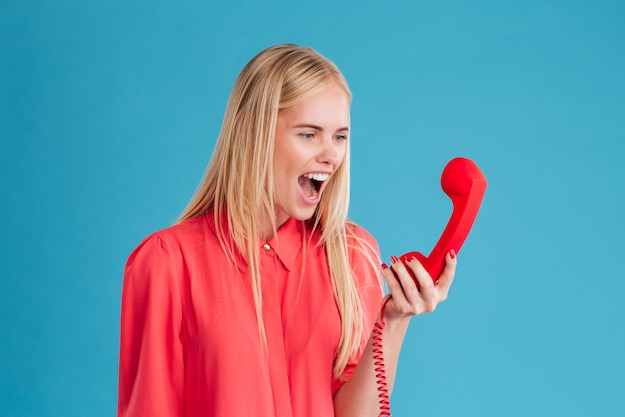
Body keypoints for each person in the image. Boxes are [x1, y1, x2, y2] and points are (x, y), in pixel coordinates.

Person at [117, 44, 457, 417]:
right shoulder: (167, 262)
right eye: (309, 134)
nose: (331, 155)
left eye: (339, 136)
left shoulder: (352, 254)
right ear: (255, 136)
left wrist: (393, 320)